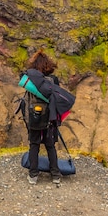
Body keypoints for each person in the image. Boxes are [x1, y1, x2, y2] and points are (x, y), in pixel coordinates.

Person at [25, 50, 61, 186]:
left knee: (34, 145)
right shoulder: (53, 80)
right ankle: (56, 175)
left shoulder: (28, 81)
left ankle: (33, 175)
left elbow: (27, 100)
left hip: (34, 117)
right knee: (50, 146)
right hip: (50, 118)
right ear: (48, 65)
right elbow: (57, 99)